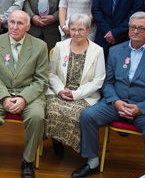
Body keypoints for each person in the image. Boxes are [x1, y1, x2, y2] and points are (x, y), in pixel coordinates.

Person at [73, 12, 145, 177]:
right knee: (87, 115)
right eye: (132, 27)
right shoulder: (116, 51)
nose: (135, 31)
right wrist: (115, 101)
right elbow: (108, 82)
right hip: (117, 104)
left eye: (141, 28)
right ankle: (92, 161)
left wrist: (140, 108)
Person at [0, 10, 48, 178]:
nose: (14, 27)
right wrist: (4, 98)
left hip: (29, 92)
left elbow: (41, 80)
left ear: (28, 26)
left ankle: (28, 161)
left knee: (37, 116)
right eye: (11, 22)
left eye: (20, 23)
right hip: (0, 91)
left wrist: (24, 98)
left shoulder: (40, 46)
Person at [45, 14, 105, 158]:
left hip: (84, 95)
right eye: (73, 29)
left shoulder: (97, 51)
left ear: (88, 30)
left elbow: (98, 80)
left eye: (81, 29)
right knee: (51, 108)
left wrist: (75, 94)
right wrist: (60, 90)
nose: (76, 33)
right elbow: (51, 73)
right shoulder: (60, 46)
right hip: (59, 91)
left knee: (77, 114)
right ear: (68, 30)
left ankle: (80, 149)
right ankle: (56, 141)